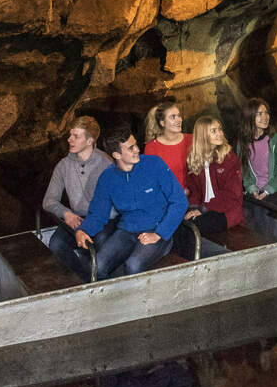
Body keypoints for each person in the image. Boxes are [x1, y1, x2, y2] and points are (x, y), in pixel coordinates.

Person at [78, 122, 187, 278]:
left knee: (133, 265)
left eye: (135, 145)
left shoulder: (155, 164)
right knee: (98, 266)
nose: (137, 149)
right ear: (116, 155)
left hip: (157, 230)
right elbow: (97, 214)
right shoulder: (107, 178)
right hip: (127, 231)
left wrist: (159, 234)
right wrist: (83, 230)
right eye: (131, 148)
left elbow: (180, 201)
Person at [41, 115, 111, 282]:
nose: (69, 139)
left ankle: (103, 278)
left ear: (89, 141)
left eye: (76, 136)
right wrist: (66, 214)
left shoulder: (106, 164)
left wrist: (87, 226)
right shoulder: (63, 165)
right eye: (70, 135)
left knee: (99, 241)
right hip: (77, 219)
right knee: (56, 244)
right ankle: (83, 279)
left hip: (105, 219)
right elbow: (49, 201)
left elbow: (113, 206)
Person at [183, 114, 242, 237]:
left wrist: (203, 209)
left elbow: (231, 195)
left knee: (193, 228)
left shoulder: (228, 158)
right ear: (203, 136)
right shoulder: (196, 159)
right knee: (181, 224)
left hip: (226, 211)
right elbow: (195, 192)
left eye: (220, 129)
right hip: (204, 209)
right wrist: (193, 208)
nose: (219, 133)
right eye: (213, 131)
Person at [241, 97, 277, 233]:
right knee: (244, 208)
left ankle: (264, 245)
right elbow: (245, 173)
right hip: (256, 190)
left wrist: (267, 190)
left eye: (266, 113)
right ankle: (250, 245)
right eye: (259, 114)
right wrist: (252, 189)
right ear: (250, 116)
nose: (265, 117)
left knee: (260, 208)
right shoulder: (244, 142)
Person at [142, 98, 190, 189]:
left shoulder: (192, 140)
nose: (178, 120)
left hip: (195, 198)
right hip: (169, 200)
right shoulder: (152, 147)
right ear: (162, 123)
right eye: (173, 117)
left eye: (179, 116)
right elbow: (151, 180)